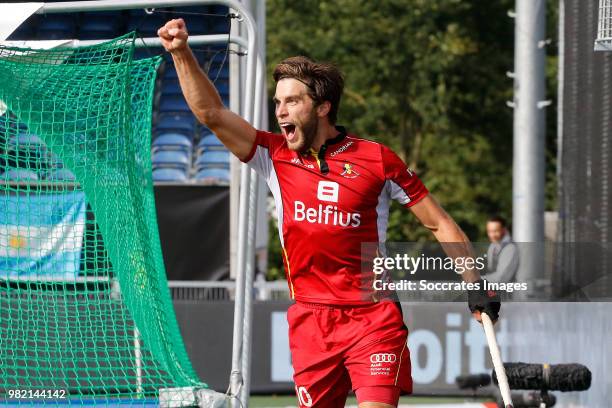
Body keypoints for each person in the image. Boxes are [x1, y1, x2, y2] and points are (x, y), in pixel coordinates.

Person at [158, 19, 501, 408]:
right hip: (310, 321)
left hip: (373, 316)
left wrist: (476, 283)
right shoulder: (273, 156)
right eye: (277, 102)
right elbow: (212, 114)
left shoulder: (377, 159)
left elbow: (438, 222)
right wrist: (180, 53)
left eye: (291, 101)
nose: (280, 111)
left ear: (322, 107)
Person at [485, 215, 519, 283]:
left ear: (504, 230)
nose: (492, 235)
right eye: (489, 231)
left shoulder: (510, 248)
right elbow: (490, 270)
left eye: (495, 231)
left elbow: (502, 278)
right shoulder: (492, 246)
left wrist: (475, 280)